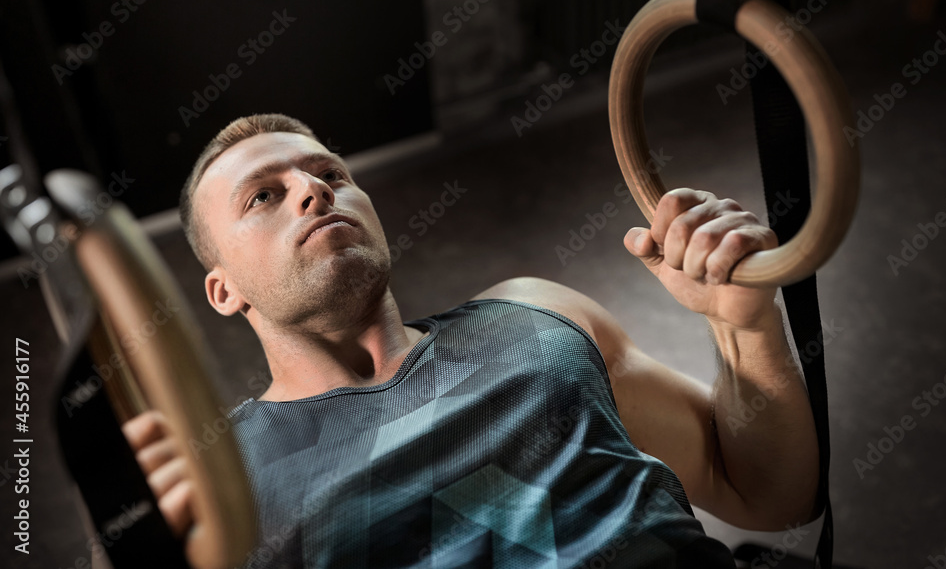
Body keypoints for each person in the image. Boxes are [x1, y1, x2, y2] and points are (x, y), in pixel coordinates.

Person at [122, 113, 820, 568]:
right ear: (223, 291)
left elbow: (768, 494)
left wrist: (744, 323)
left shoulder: (532, 316)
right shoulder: (221, 479)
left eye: (330, 172)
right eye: (263, 197)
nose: (313, 189)